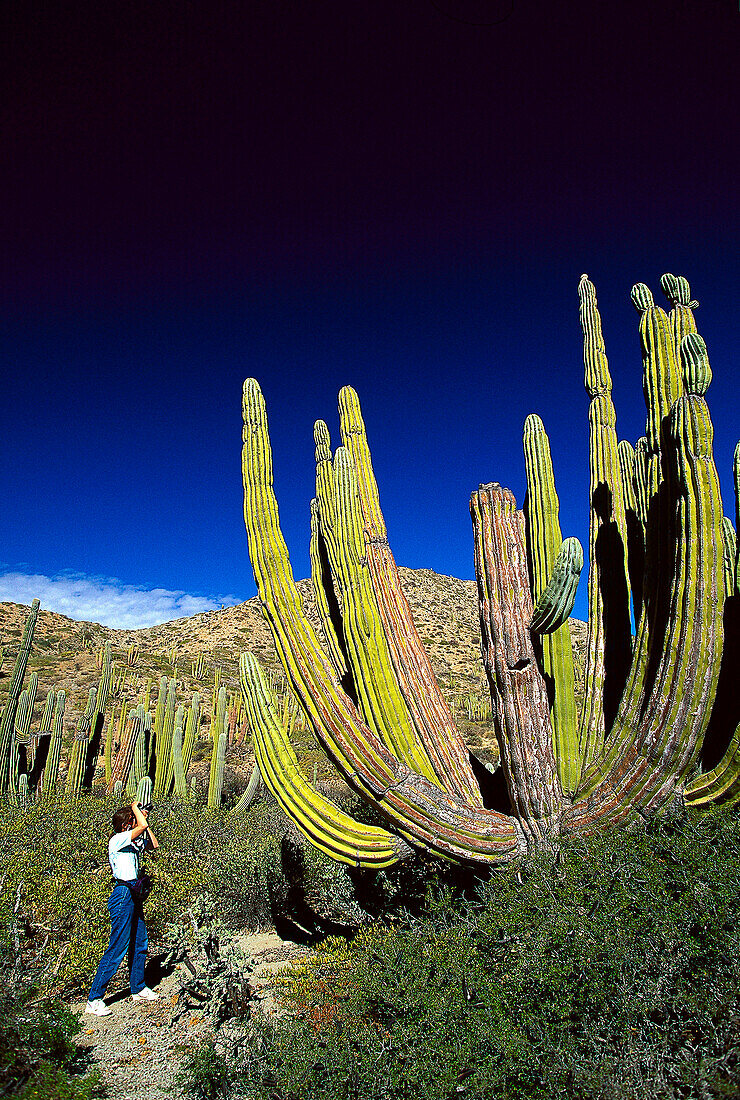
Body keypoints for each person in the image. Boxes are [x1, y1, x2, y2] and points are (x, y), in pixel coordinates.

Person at [85, 800, 160, 1017]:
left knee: (140, 942)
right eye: (133, 819)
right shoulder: (117, 840)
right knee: (117, 946)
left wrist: (144, 820)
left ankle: (138, 987)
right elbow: (142, 828)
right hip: (122, 894)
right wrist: (137, 811)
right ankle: (94, 998)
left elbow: (153, 845)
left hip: (133, 894)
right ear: (127, 824)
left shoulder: (132, 842)